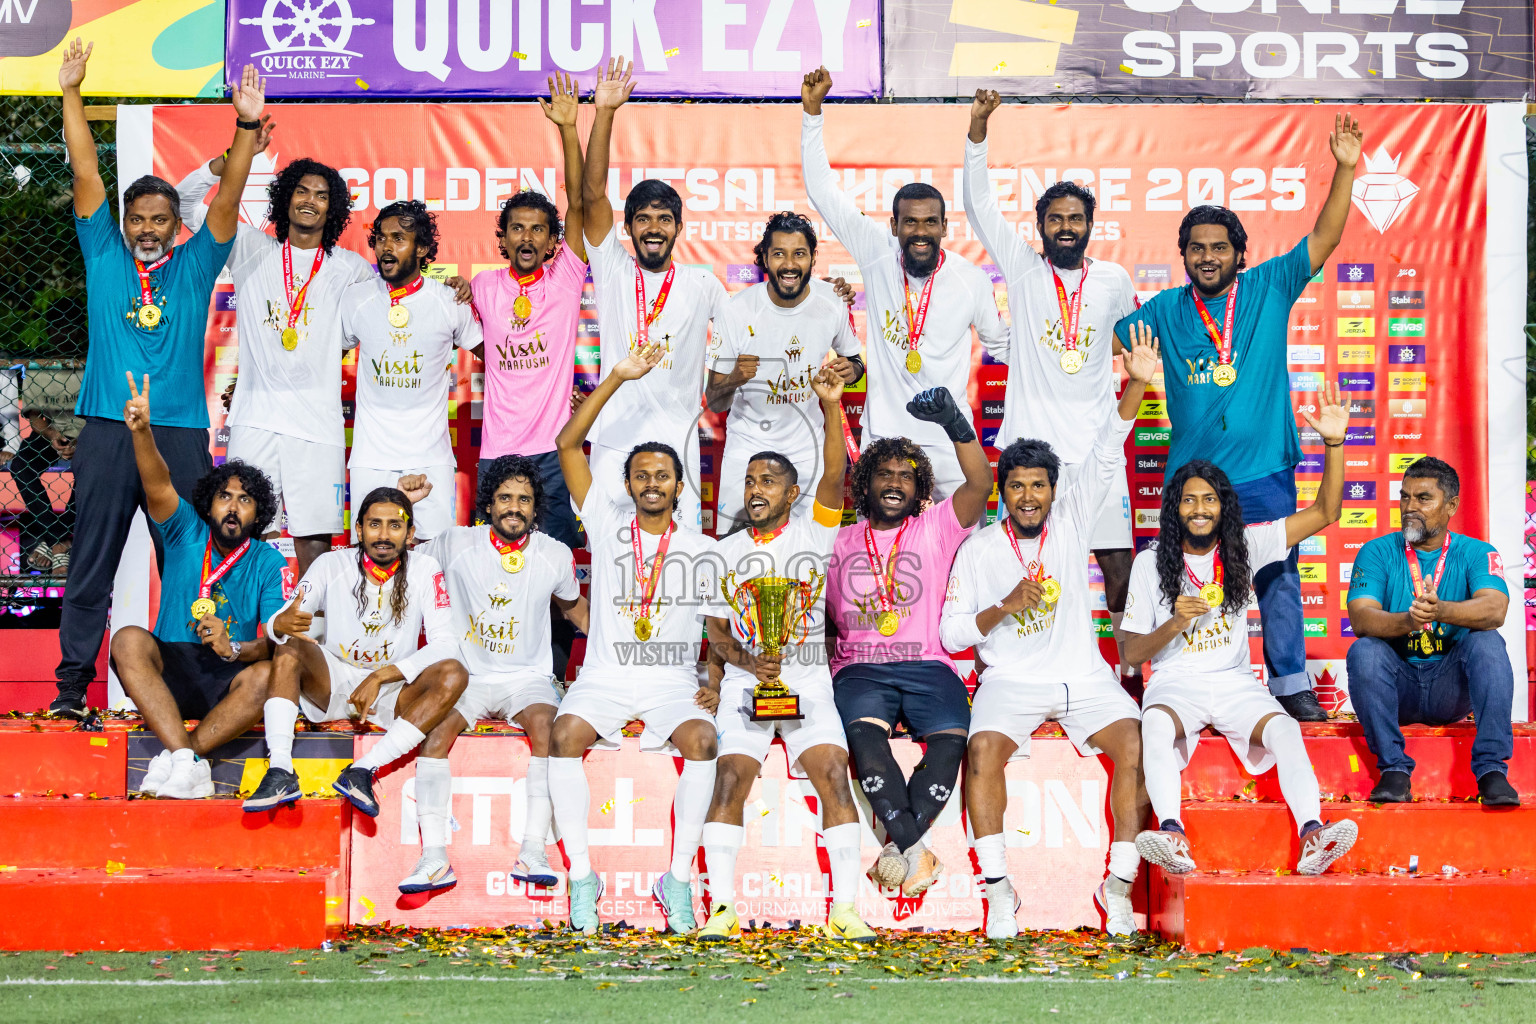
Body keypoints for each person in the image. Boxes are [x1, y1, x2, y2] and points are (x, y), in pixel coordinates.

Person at [1114, 115, 1364, 723]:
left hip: (1263, 470)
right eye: (1196, 248)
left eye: (1218, 247)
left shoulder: (1269, 286)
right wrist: (1128, 361)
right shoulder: (1164, 311)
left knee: (1277, 575)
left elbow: (1325, 236)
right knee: (1181, 578)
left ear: (1238, 254)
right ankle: (1172, 680)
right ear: (1183, 256)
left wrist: (1347, 167)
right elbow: (1104, 351)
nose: (1207, 257)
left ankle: (1289, 683)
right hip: (1192, 478)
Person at [52, 42, 266, 719]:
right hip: (109, 430)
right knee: (92, 560)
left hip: (177, 433)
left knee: (193, 563)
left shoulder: (197, 264)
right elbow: (87, 167)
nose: (146, 228)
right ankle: (68, 692)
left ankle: (197, 682)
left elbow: (229, 195)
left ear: (178, 227)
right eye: (136, 218)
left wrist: (245, 128)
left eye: (158, 220)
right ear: (122, 226)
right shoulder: (102, 254)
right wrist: (72, 94)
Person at [940, 325, 1156, 939]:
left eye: (1039, 485)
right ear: (1002, 494)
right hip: (1010, 680)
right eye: (1017, 486)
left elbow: (1110, 448)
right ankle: (999, 889)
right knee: (982, 753)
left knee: (1136, 743)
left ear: (1054, 492)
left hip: (1083, 676)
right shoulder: (981, 550)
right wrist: (1003, 608)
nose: (1029, 496)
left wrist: (1135, 383)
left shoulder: (1071, 520)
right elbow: (956, 634)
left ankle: (1117, 886)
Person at [1124, 382, 1360, 883]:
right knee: (1157, 726)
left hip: (1234, 682)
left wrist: (1335, 445)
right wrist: (1175, 622)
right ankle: (1172, 833)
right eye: (1189, 501)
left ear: (1223, 505)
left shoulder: (1246, 545)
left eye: (1209, 500)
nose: (1200, 509)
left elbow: (1326, 513)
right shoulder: (1149, 564)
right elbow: (1129, 654)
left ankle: (1313, 836)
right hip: (1175, 684)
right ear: (1175, 509)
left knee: (1285, 728)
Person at [963, 91, 1142, 690]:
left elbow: (1125, 342)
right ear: (1040, 226)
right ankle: (1010, 671)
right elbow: (979, 203)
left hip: (1096, 453)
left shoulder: (1114, 280)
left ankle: (1131, 676)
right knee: (1019, 566)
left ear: (1091, 225)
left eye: (1076, 218)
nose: (1066, 227)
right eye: (1055, 218)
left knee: (1118, 566)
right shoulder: (1021, 267)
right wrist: (978, 129)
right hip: (1031, 456)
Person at [697, 367, 875, 943]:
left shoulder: (811, 535)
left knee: (832, 774)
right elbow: (717, 636)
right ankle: (721, 908)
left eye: (769, 481)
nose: (756, 489)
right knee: (730, 779)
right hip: (748, 687)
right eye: (750, 479)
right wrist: (750, 665)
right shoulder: (723, 553)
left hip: (808, 684)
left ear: (791, 494)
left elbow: (833, 472)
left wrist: (831, 405)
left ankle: (846, 909)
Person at [551, 343, 723, 935]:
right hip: (603, 676)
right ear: (625, 482)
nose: (652, 483)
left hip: (671, 682)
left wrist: (715, 685)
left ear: (680, 486)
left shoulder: (701, 549)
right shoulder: (603, 520)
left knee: (703, 740)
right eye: (642, 475)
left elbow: (718, 626)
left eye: (663, 476)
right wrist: (617, 377)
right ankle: (581, 879)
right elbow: (568, 446)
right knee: (563, 736)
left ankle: (676, 877)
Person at [176, 129, 376, 579]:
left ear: (334, 208)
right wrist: (231, 155)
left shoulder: (352, 270)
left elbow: (388, 314)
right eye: (301, 191)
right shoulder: (249, 249)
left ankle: (314, 641)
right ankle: (249, 633)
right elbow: (182, 203)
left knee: (315, 542)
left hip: (317, 426)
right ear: (284, 199)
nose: (310, 200)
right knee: (246, 532)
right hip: (255, 420)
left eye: (321, 195)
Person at [801, 66, 1006, 500]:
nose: (920, 232)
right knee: (888, 560)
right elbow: (822, 190)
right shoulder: (877, 253)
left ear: (944, 227)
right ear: (893, 225)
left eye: (930, 222)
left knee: (954, 558)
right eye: (910, 222)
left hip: (950, 445)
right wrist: (812, 112)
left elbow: (1005, 348)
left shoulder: (970, 280)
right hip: (885, 443)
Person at [825, 386, 993, 896]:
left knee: (950, 744)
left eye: (906, 475)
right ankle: (916, 853)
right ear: (866, 482)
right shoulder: (838, 536)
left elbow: (981, 482)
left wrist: (954, 424)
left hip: (927, 664)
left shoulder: (936, 526)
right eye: (884, 474)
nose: (895, 483)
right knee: (866, 742)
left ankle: (899, 850)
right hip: (860, 667)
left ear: (919, 487)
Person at [407, 455, 588, 895]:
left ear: (535, 507)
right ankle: (433, 858)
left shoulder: (555, 554)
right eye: (505, 497)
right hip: (468, 677)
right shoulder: (454, 542)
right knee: (432, 735)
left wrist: (619, 647)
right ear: (487, 504)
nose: (514, 507)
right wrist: (404, 506)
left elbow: (575, 610)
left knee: (549, 729)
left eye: (524, 499)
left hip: (527, 678)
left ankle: (533, 851)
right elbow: (399, 553)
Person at [108, 374, 288, 800]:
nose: (233, 507)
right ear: (208, 504)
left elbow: (276, 639)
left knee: (267, 674)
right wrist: (142, 432)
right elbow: (157, 482)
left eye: (245, 500)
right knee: (128, 639)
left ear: (258, 515)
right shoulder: (185, 531)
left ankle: (183, 757)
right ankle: (190, 762)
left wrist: (235, 649)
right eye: (224, 496)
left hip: (228, 674)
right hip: (171, 664)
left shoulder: (268, 560)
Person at [242, 488, 468, 815]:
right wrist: (278, 623)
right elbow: (285, 618)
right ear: (359, 529)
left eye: (395, 525)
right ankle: (280, 769)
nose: (384, 534)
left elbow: (447, 644)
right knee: (292, 641)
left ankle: (363, 770)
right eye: (374, 524)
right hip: (333, 683)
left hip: (392, 691)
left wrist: (383, 675)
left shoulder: (425, 568)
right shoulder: (330, 563)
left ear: (410, 533)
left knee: (454, 672)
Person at [581, 58, 727, 531]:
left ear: (679, 228)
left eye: (664, 219)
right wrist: (604, 114)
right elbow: (592, 195)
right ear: (628, 227)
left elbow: (741, 343)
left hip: (677, 445)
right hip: (613, 442)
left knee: (679, 564)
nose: (653, 228)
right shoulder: (613, 269)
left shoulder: (703, 284)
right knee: (607, 553)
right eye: (643, 218)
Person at [1346, 457, 1519, 807]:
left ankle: (1491, 771)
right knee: (1364, 651)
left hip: (1450, 688)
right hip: (1399, 686)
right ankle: (1393, 770)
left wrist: (1441, 610)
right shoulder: (1376, 551)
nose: (1410, 507)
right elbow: (1361, 617)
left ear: (1451, 505)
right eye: (1404, 497)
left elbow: (1495, 609)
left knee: (1488, 641)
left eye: (1423, 498)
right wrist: (1409, 621)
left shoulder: (1477, 552)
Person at [470, 72, 589, 551]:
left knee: (557, 561)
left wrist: (567, 127)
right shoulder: (481, 286)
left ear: (552, 241)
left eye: (538, 229)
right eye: (516, 228)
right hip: (496, 451)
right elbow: (467, 339)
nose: (527, 237)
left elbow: (580, 203)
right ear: (502, 238)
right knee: (495, 566)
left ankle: (557, 634)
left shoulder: (565, 279)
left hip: (554, 452)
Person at [705, 212, 864, 531]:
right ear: (764, 257)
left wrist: (852, 369)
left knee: (812, 551)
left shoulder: (832, 300)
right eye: (779, 254)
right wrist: (735, 378)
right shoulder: (735, 311)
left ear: (813, 258)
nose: (789, 264)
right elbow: (714, 401)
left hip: (808, 449)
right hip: (747, 446)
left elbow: (856, 364)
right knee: (736, 554)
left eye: (799, 254)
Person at [340, 202, 483, 542]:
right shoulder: (355, 299)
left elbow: (495, 359)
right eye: (381, 238)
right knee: (370, 556)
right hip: (371, 457)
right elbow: (321, 359)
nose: (386, 247)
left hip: (430, 456)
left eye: (399, 238)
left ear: (421, 249)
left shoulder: (449, 300)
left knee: (434, 559)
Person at [11, 408, 76, 575]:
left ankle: (53, 540)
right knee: (21, 465)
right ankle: (59, 541)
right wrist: (52, 433)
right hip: (53, 430)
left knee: (93, 468)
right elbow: (34, 416)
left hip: (92, 429)